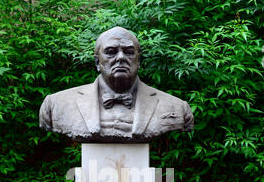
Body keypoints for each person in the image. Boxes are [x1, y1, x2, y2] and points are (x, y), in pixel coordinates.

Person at [39, 27, 194, 142]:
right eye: (111, 51)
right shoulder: (56, 105)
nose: (120, 58)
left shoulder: (177, 108)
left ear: (138, 61)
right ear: (97, 62)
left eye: (128, 52)